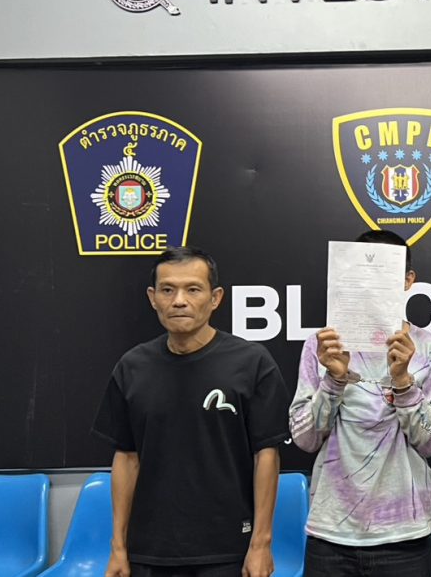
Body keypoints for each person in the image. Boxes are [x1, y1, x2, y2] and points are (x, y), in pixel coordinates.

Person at [92, 246, 291, 577]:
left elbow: (266, 457)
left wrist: (260, 544)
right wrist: (118, 547)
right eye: (168, 290)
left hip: (228, 549)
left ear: (215, 298)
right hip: (150, 551)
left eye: (193, 289)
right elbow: (126, 458)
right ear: (153, 298)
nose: (179, 301)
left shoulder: (252, 363)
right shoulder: (132, 367)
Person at [289, 229, 431, 577]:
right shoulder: (322, 346)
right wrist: (333, 381)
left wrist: (404, 382)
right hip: (331, 535)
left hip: (404, 537)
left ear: (408, 280)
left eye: (384, 271)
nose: (371, 281)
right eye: (362, 270)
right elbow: (304, 439)